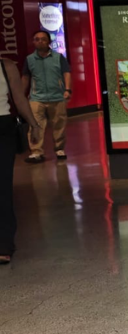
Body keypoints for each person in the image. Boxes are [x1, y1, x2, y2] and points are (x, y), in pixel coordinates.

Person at [1, 57, 39, 264]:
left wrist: (33, 124)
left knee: (3, 188)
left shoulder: (6, 66)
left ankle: (4, 242)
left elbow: (19, 98)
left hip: (2, 129)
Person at [23, 30, 71, 163]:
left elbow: (66, 73)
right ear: (33, 42)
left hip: (57, 96)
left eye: (43, 39)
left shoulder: (58, 57)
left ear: (49, 41)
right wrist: (21, 95)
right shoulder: (29, 59)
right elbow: (26, 77)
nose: (40, 41)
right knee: (35, 125)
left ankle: (59, 149)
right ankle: (36, 151)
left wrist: (67, 89)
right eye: (36, 39)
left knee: (59, 125)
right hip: (37, 98)